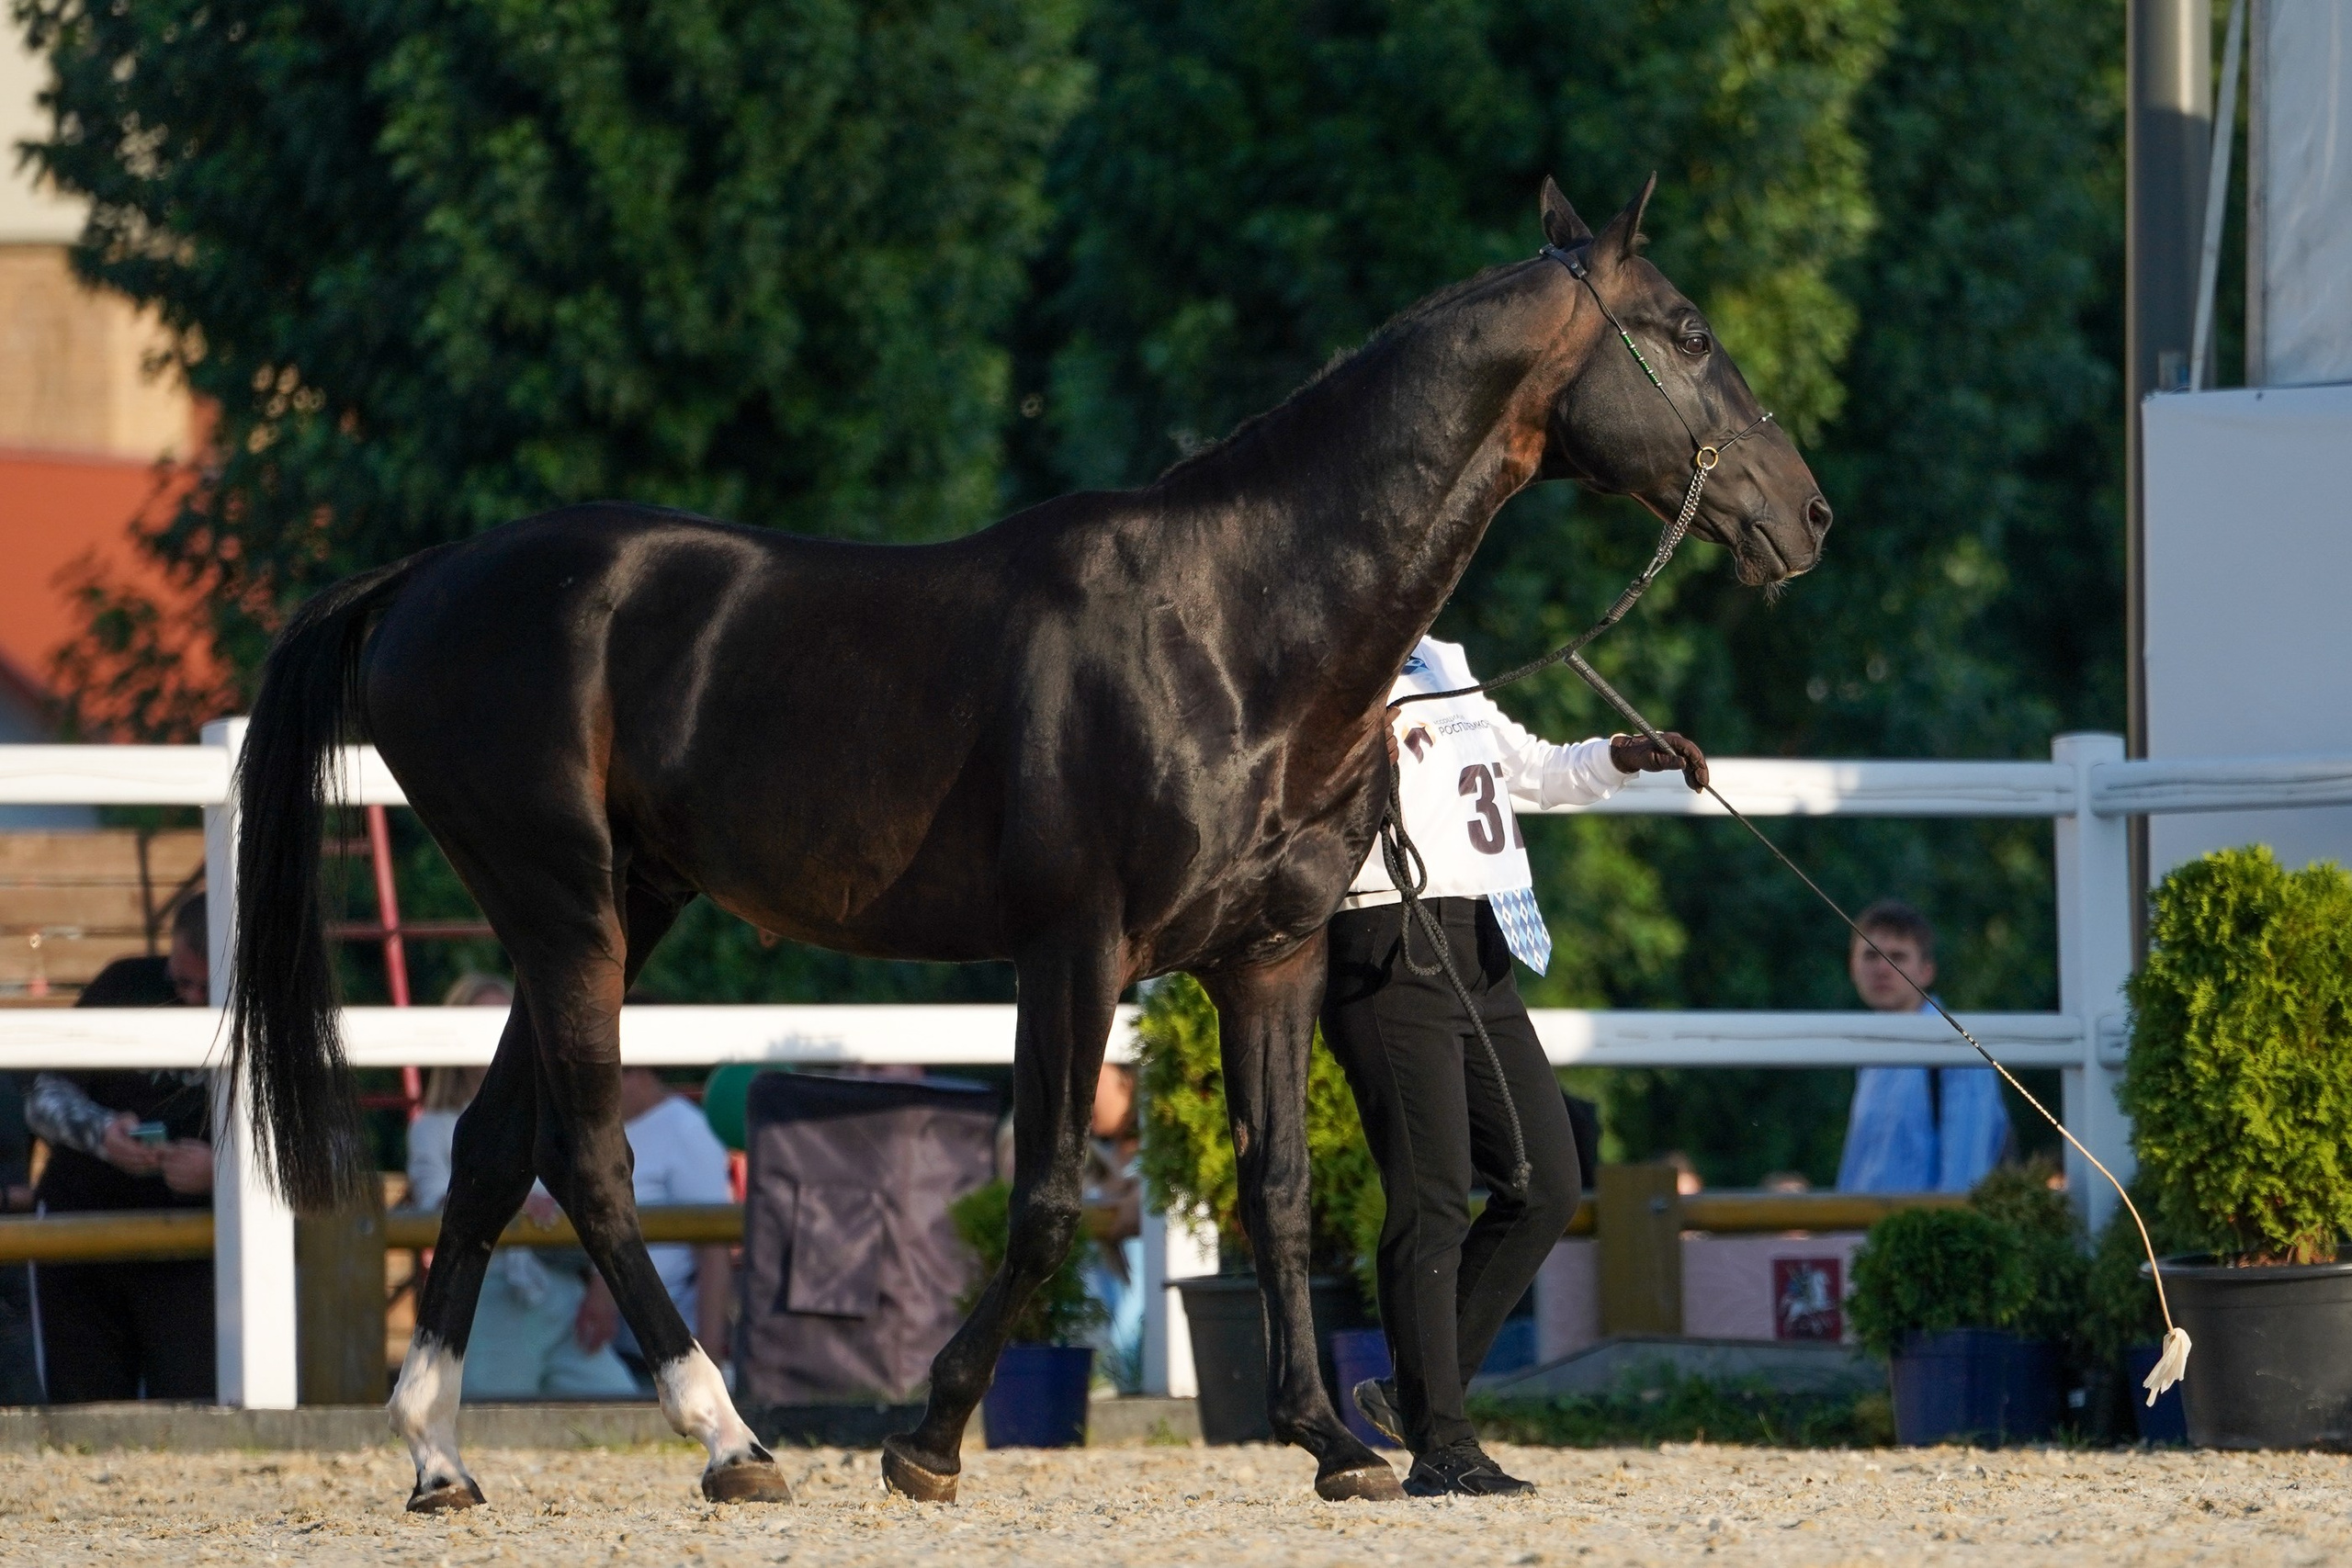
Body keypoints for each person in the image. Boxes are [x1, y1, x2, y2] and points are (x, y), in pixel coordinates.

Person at [1325, 635, 1705, 1495]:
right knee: (1431, 1195)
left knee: (1546, 1180)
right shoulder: (1326, 647)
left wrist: (1621, 755)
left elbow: (1528, 767)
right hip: (1387, 932)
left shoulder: (1441, 659)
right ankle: (1444, 1446)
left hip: (1479, 940)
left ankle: (1416, 1395)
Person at [406, 973, 637, 1399]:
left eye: (505, 1024)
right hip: (495, 1292)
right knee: (497, 1417)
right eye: (481, 1024)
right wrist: (513, 1202)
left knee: (622, 1401)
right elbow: (433, 1205)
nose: (497, 1039)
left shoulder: (556, 1119)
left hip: (567, 1292)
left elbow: (601, 1202)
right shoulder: (433, 1127)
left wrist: (603, 1292)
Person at [25, 896, 216, 1402]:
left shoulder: (264, 1009)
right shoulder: (125, 983)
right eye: (182, 982)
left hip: (196, 1251)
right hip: (83, 1231)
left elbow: (315, 1146)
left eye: (209, 989)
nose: (192, 999)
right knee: (80, 1413)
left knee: (195, 1411)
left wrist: (223, 1171)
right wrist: (103, 1133)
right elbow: (44, 1097)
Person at [1834, 900, 2011, 1193]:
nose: (1882, 968)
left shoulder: (1956, 1049)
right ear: (1852, 966)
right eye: (1870, 955)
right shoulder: (1871, 1052)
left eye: (1898, 957)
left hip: (1924, 1222)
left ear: (1926, 971)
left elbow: (1965, 1181)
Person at [583, 1066, 737, 1382]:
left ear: (640, 1074)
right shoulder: (596, 1129)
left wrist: (709, 1365)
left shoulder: (686, 1130)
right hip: (597, 1337)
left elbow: (712, 1251)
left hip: (667, 1350)